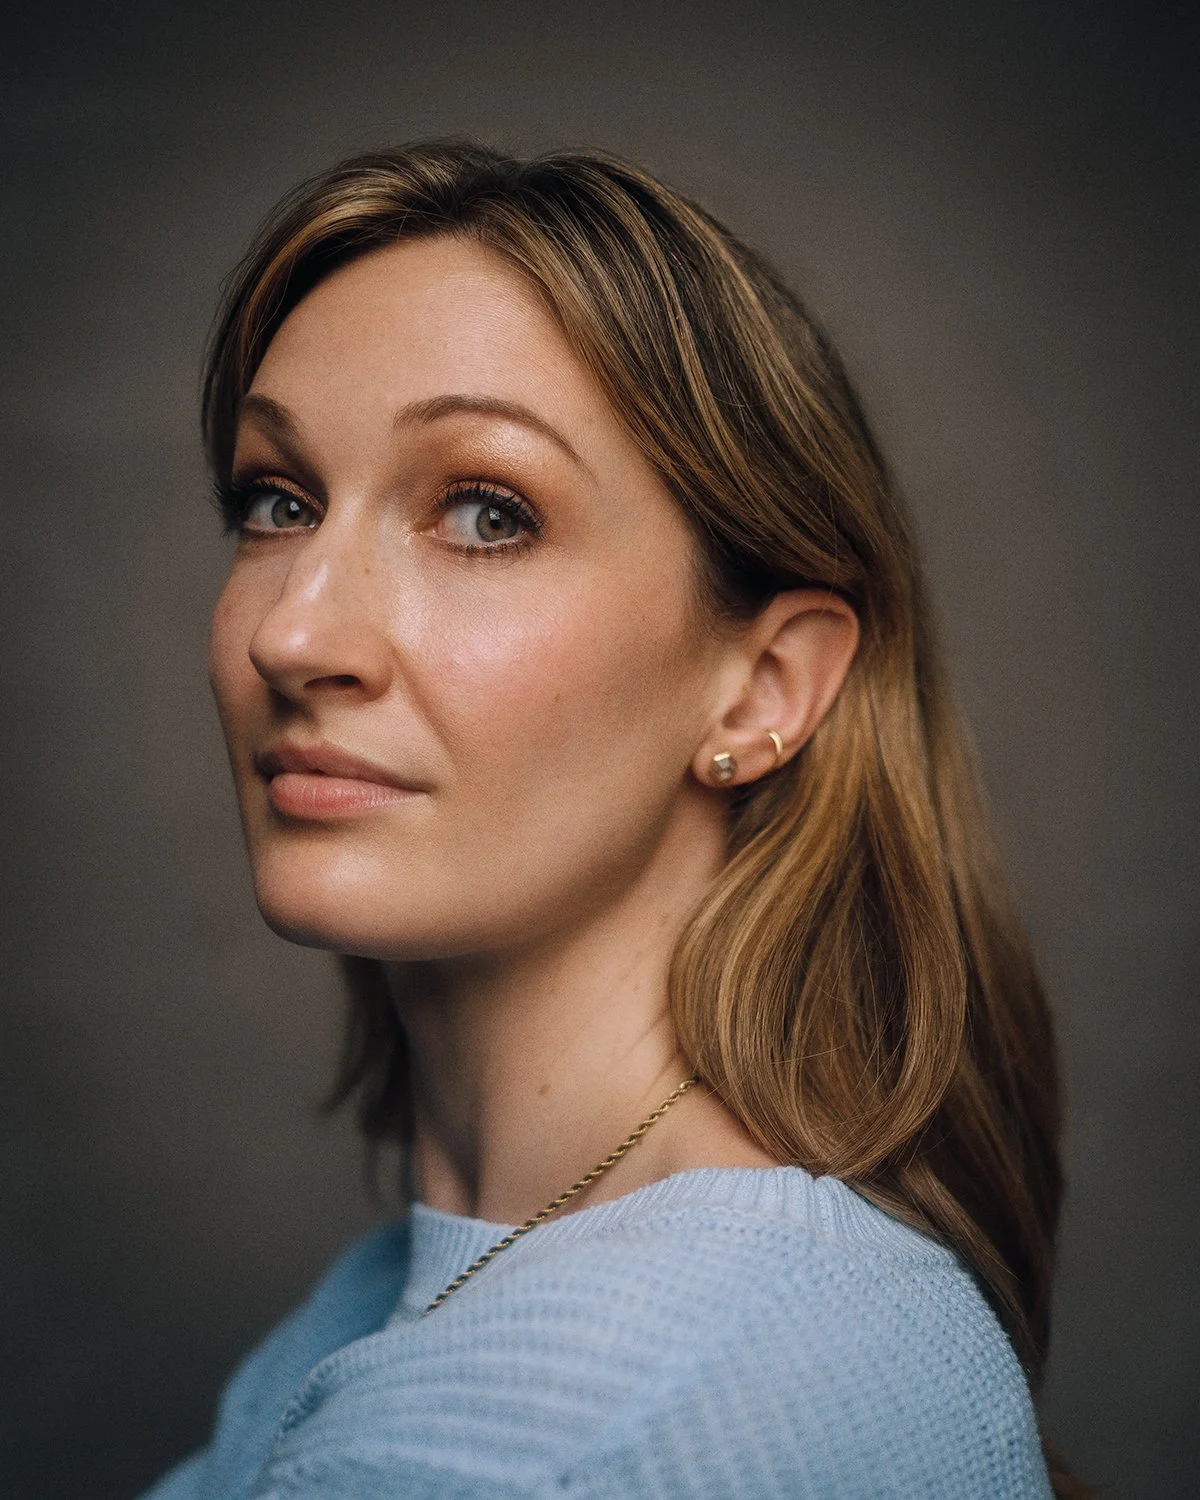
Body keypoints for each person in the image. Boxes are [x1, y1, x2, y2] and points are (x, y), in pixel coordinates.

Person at [141, 140, 1084, 1498]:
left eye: (485, 513)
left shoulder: (591, 1431)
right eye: (277, 502)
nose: (293, 634)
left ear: (763, 687)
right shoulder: (416, 1297)